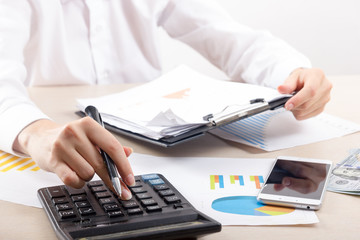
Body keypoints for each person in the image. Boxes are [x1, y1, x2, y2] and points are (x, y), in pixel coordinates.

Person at [0, 1, 332, 200]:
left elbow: (227, 35)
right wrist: (34, 131)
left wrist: (293, 71)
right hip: (62, 135)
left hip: (156, 139)